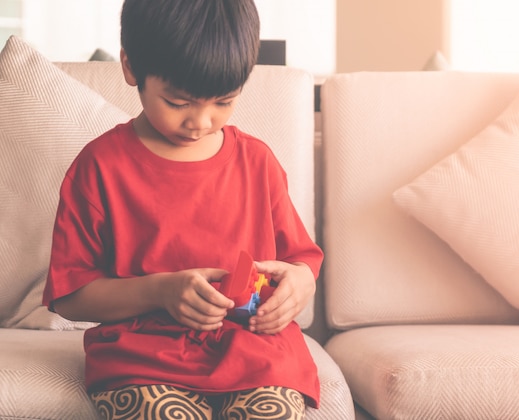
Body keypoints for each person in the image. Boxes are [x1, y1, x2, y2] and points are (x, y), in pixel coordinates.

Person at [42, 1, 323, 418]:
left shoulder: (257, 162)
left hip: (257, 352)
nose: (201, 121)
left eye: (224, 102)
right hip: (143, 357)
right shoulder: (100, 166)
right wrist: (161, 291)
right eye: (178, 102)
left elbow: (300, 260)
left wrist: (301, 282)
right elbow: (70, 296)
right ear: (131, 67)